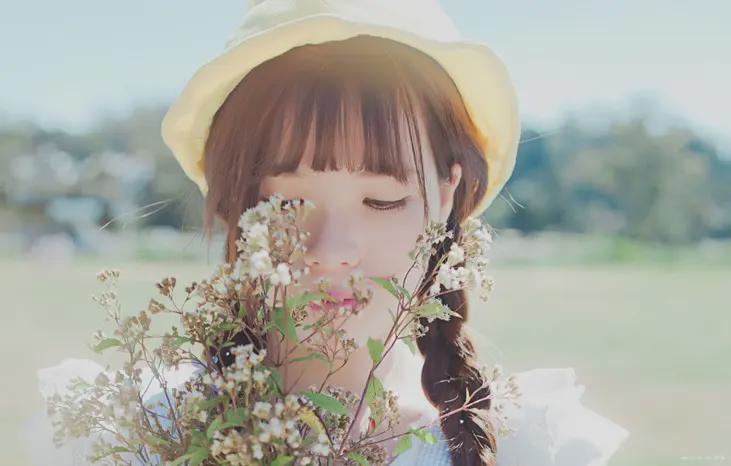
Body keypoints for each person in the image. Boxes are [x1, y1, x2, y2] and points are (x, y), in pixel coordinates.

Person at [25, 0, 629, 464]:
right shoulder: (129, 436)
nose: (330, 249)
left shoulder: (527, 448)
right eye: (288, 202)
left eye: (381, 200)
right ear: (233, 201)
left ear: (446, 196)